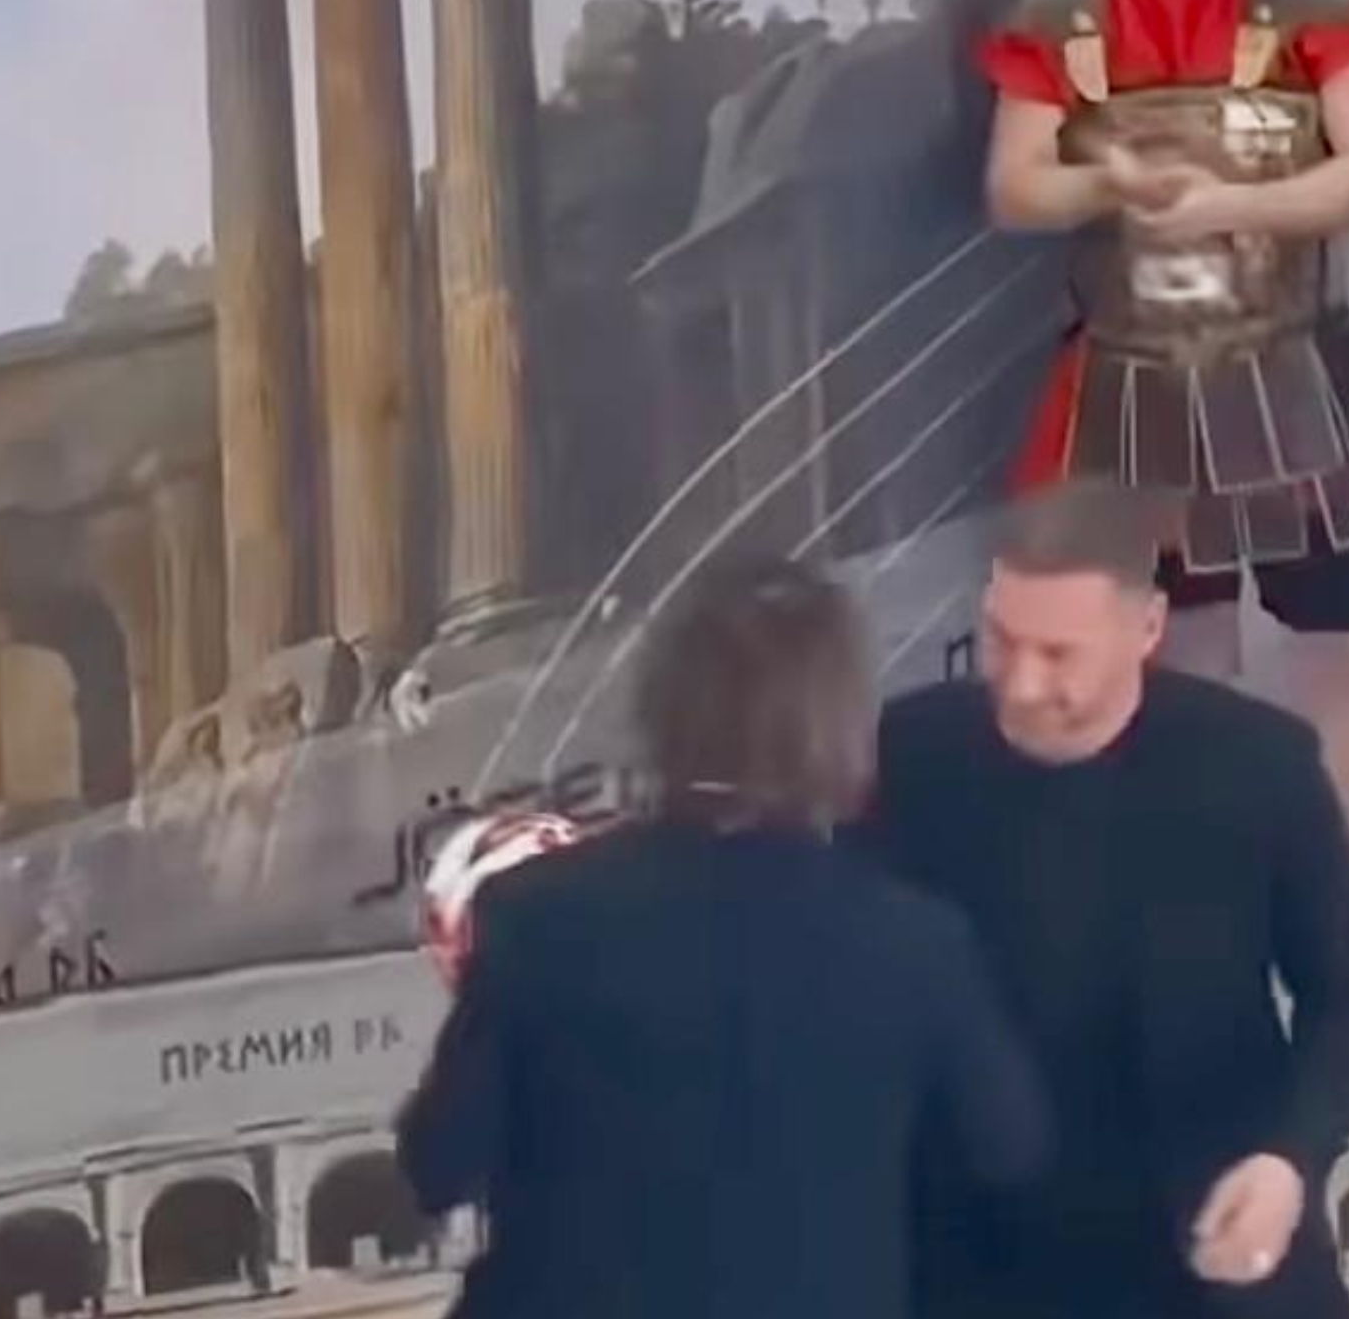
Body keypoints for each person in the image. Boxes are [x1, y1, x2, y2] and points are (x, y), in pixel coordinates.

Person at [978, 0, 1349, 971]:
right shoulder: (1057, 5)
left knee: (1342, 644)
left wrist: (1233, 201)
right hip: (1133, 375)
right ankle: (1213, 918)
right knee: (1183, 658)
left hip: (1292, 366)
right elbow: (1014, 186)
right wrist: (1107, 178)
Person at [395, 555, 1049, 1319]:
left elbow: (436, 1168)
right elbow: (1011, 1151)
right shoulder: (917, 943)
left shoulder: (535, 912)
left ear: (663, 709)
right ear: (839, 723)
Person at [852, 479, 1349, 1319]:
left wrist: (1289, 1162)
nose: (1020, 684)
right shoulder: (913, 751)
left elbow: (1346, 1008)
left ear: (1146, 629)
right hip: (970, 1247)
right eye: (1000, 640)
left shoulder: (1260, 766)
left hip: (1201, 1233)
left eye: (1057, 653)